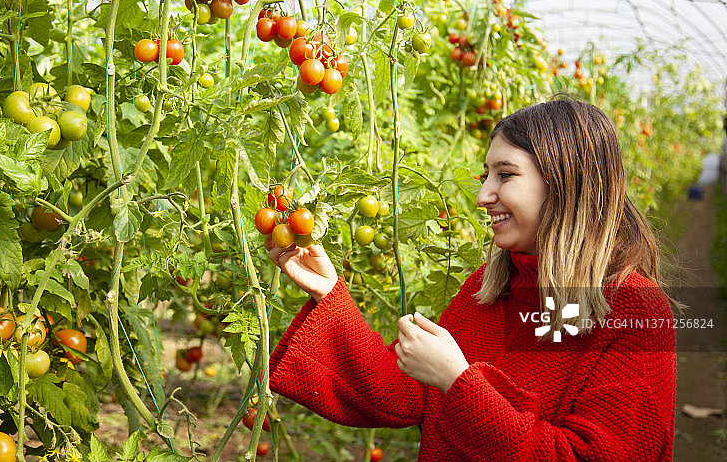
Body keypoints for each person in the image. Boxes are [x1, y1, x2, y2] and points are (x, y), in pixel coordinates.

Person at [264, 96, 677, 461]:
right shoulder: (491, 289)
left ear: (566, 182)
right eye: (486, 176)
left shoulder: (633, 312)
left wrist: (458, 382)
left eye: (506, 175)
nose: (484, 196)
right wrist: (330, 293)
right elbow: (405, 391)